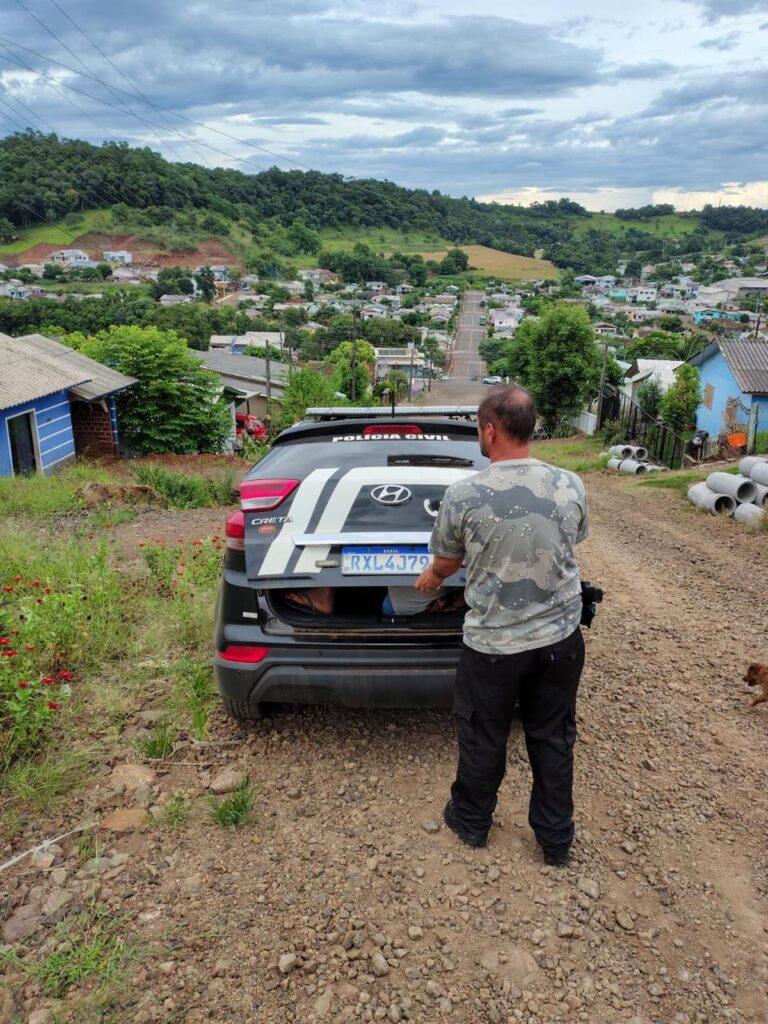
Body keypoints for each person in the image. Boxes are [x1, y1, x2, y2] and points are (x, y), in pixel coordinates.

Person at [414, 385, 588, 866]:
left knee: (483, 734)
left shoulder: (465, 493)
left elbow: (447, 561)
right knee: (552, 737)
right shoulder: (570, 483)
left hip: (493, 646)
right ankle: (555, 842)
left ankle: (471, 823)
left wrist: (430, 577)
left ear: (489, 431)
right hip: (561, 641)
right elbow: (574, 539)